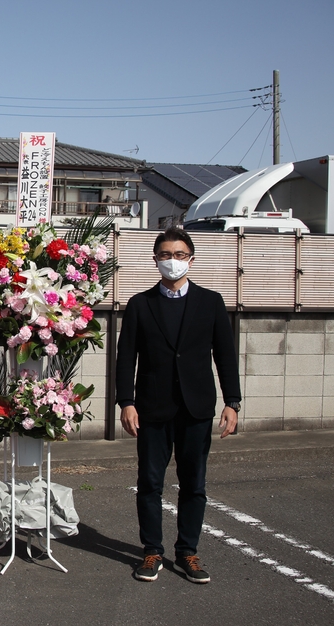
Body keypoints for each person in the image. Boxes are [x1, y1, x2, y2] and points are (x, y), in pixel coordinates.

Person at [115, 227, 241, 585]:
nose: (173, 261)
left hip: (196, 407)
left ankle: (188, 552)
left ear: (192, 259)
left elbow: (225, 356)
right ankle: (151, 551)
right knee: (150, 483)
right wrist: (127, 401)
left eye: (180, 254)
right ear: (156, 260)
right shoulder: (141, 304)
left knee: (194, 484)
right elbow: (126, 359)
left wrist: (233, 402)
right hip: (152, 409)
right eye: (166, 255)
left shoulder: (211, 302)